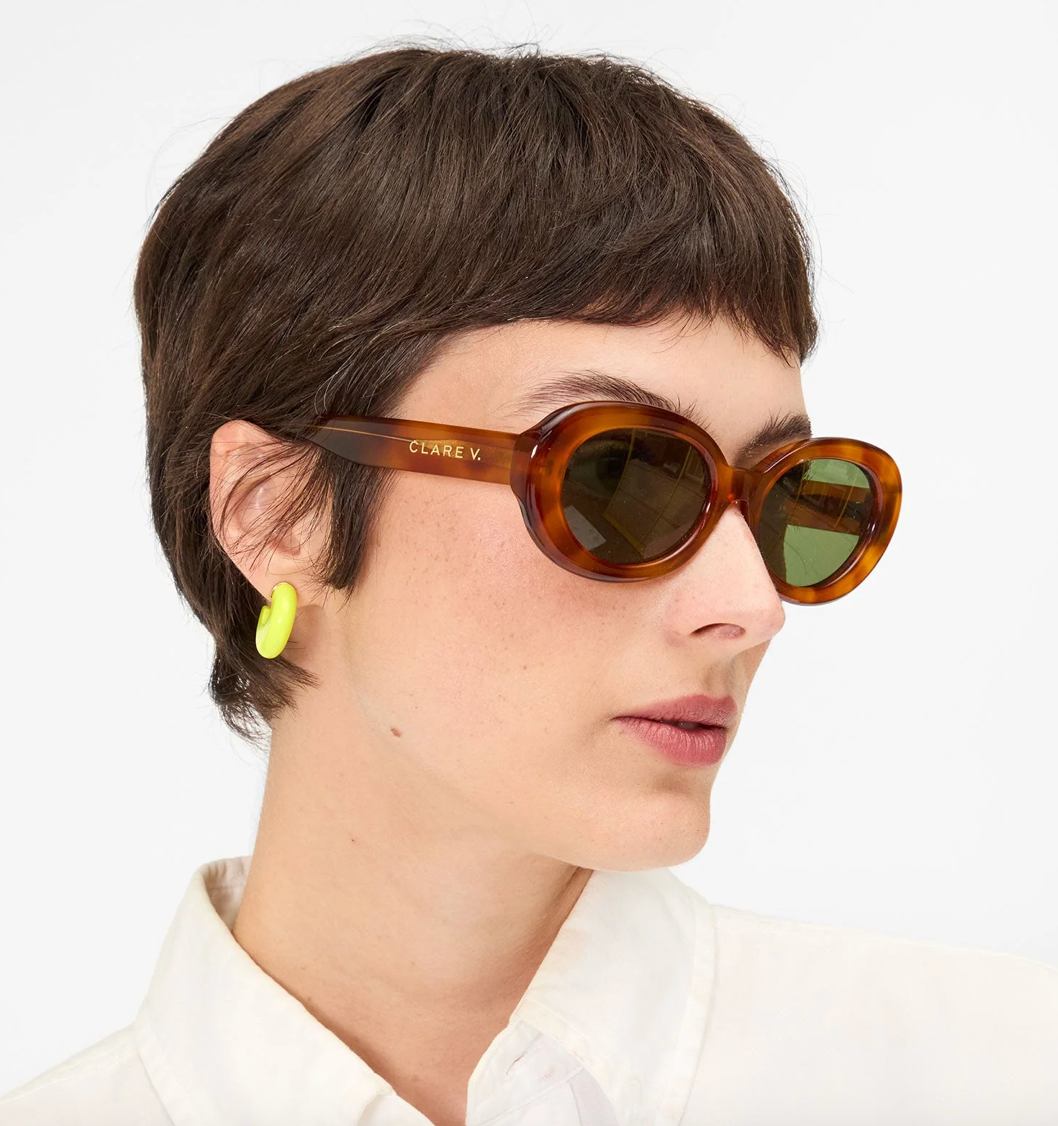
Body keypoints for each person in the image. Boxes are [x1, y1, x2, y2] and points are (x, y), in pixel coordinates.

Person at [2, 43, 1055, 1126]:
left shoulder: (996, 1076)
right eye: (619, 477)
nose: (753, 608)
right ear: (277, 512)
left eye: (789, 498)